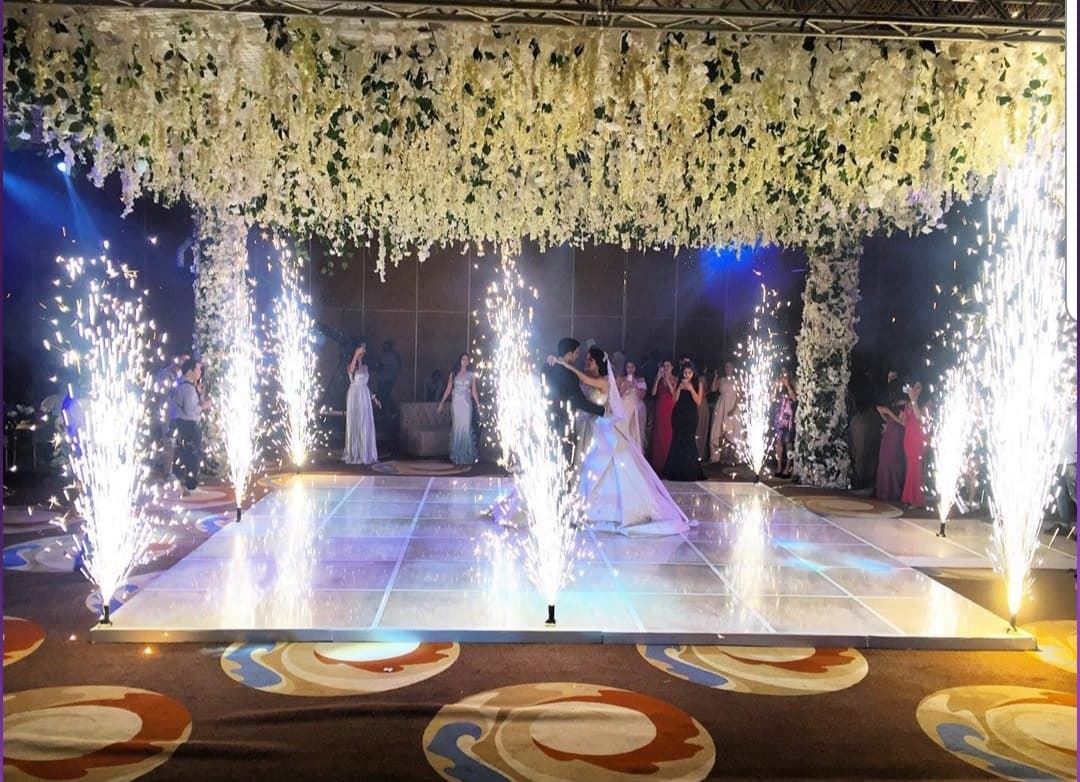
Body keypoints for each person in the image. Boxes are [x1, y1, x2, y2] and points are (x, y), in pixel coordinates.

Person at [549, 348, 689, 535]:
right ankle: (575, 501)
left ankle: (600, 507)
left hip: (601, 427)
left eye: (590, 360)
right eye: (587, 359)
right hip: (587, 426)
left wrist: (564, 364)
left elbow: (584, 379)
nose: (586, 362)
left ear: (599, 363)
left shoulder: (603, 381)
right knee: (584, 464)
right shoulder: (587, 380)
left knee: (602, 464)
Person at [542, 338, 606, 463]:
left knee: (550, 454)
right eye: (576, 353)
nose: (578, 356)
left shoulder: (546, 367)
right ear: (569, 353)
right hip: (564, 421)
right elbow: (579, 401)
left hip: (548, 416)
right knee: (564, 458)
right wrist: (602, 411)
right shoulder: (570, 375)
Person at [171, 357, 212, 491]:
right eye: (198, 369)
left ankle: (188, 481)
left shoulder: (183, 385)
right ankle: (191, 483)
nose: (200, 372)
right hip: (189, 425)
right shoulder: (188, 389)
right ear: (190, 371)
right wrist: (204, 405)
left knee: (188, 453)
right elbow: (190, 411)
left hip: (182, 425)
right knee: (193, 454)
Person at [664, 360, 706, 481]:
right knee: (677, 440)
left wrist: (691, 389)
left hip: (691, 415)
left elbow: (698, 401)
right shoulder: (679, 382)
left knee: (689, 441)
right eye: (685, 372)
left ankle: (690, 470)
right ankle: (675, 471)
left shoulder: (698, 383)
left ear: (693, 373)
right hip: (679, 415)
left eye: (689, 373)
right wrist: (680, 388)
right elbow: (674, 400)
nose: (687, 375)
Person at [438, 353, 480, 465]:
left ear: (469, 362)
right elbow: (448, 389)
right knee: (457, 427)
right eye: (463, 359)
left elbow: (474, 391)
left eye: (467, 360)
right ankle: (456, 454)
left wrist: (478, 404)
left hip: (467, 404)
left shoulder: (471, 375)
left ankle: (466, 455)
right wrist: (441, 403)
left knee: (466, 427)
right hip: (456, 403)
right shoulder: (453, 374)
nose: (465, 361)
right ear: (460, 361)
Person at [344, 342, 381, 465]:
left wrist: (374, 398)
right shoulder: (351, 365)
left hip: (364, 395)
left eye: (363, 352)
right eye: (361, 351)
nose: (363, 353)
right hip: (354, 395)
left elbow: (366, 385)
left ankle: (366, 452)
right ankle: (355, 452)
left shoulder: (365, 367)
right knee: (356, 421)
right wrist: (355, 355)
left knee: (365, 422)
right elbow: (351, 370)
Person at [154, 352, 189, 480]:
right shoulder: (164, 374)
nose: (184, 363)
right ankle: (167, 472)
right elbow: (160, 393)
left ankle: (181, 470)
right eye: (182, 360)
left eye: (186, 361)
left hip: (181, 413)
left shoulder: (184, 374)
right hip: (168, 413)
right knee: (169, 442)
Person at [874, 369, 906, 501]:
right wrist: (882, 413)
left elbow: (903, 422)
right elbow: (890, 419)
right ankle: (883, 492)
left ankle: (894, 493)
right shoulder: (891, 399)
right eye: (888, 377)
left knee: (893, 463)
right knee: (884, 462)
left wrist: (888, 411)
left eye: (892, 378)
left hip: (897, 435)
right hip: (889, 433)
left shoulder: (904, 402)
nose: (890, 380)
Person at [901, 380, 930, 507]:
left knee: (915, 468)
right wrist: (903, 415)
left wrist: (913, 401)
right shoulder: (909, 403)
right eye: (914, 387)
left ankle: (917, 500)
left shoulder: (927, 403)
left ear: (923, 390)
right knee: (910, 469)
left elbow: (921, 418)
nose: (915, 390)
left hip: (919, 439)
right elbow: (905, 422)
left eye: (918, 388)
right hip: (909, 438)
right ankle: (910, 497)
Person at [709, 361, 742, 465]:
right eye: (726, 367)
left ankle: (731, 456)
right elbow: (713, 389)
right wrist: (715, 377)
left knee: (731, 431)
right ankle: (720, 455)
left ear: (733, 368)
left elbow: (739, 396)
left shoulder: (737, 380)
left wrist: (733, 409)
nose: (728, 369)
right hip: (722, 406)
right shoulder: (722, 380)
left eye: (730, 367)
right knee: (720, 430)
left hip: (732, 406)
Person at [649, 359, 676, 472]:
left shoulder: (675, 379)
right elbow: (653, 393)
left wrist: (668, 380)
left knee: (669, 434)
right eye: (664, 366)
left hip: (670, 408)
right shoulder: (659, 378)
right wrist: (658, 379)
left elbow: (674, 393)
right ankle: (658, 463)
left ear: (672, 367)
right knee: (659, 433)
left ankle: (668, 463)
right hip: (660, 408)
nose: (666, 368)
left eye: (668, 366)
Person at [616, 360, 648, 451]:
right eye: (628, 367)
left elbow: (642, 396)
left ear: (635, 368)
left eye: (632, 367)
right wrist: (625, 386)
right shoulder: (620, 379)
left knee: (634, 430)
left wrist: (635, 385)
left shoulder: (640, 380)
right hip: (623, 407)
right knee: (622, 429)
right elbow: (617, 395)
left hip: (635, 409)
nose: (630, 369)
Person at [771, 366, 797, 478]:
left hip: (788, 417)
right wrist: (775, 388)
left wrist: (787, 385)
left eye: (785, 372)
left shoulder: (793, 383)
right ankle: (779, 466)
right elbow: (771, 399)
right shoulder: (777, 384)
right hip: (778, 416)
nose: (783, 375)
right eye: (781, 373)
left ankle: (788, 467)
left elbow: (795, 398)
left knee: (788, 442)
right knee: (778, 443)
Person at [376, 340, 401, 417]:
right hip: (381, 379)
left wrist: (394, 378)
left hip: (389, 379)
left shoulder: (393, 356)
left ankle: (393, 411)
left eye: (387, 346)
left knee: (385, 396)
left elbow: (396, 368)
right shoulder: (382, 355)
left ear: (389, 347)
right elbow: (379, 367)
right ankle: (385, 413)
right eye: (384, 346)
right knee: (383, 396)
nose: (385, 348)